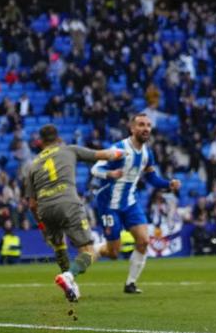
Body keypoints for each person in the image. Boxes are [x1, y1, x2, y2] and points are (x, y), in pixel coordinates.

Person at [25, 124, 124, 301]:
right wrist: (120, 153)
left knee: (59, 247)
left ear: (40, 142)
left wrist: (41, 226)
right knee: (88, 251)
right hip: (68, 203)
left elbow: (32, 204)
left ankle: (69, 286)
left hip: (45, 208)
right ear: (58, 138)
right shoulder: (69, 149)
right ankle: (69, 276)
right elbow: (103, 155)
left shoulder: (33, 165)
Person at [91, 113, 181, 294]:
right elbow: (95, 169)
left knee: (143, 241)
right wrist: (111, 174)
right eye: (141, 124)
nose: (146, 128)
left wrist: (168, 184)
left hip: (130, 203)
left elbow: (152, 178)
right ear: (132, 128)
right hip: (109, 204)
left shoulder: (148, 153)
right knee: (113, 252)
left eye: (148, 125)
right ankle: (92, 250)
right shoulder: (119, 149)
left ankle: (130, 283)